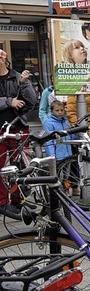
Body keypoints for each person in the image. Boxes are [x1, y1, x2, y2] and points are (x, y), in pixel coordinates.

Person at [0, 48, 37, 217]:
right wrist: (9, 102)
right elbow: (11, 101)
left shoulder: (16, 76)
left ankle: (18, 199)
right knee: (0, 167)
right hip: (1, 130)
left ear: (5, 59)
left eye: (1, 57)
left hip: (17, 127)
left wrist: (24, 83)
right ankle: (2, 202)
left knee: (20, 167)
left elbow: (31, 102)